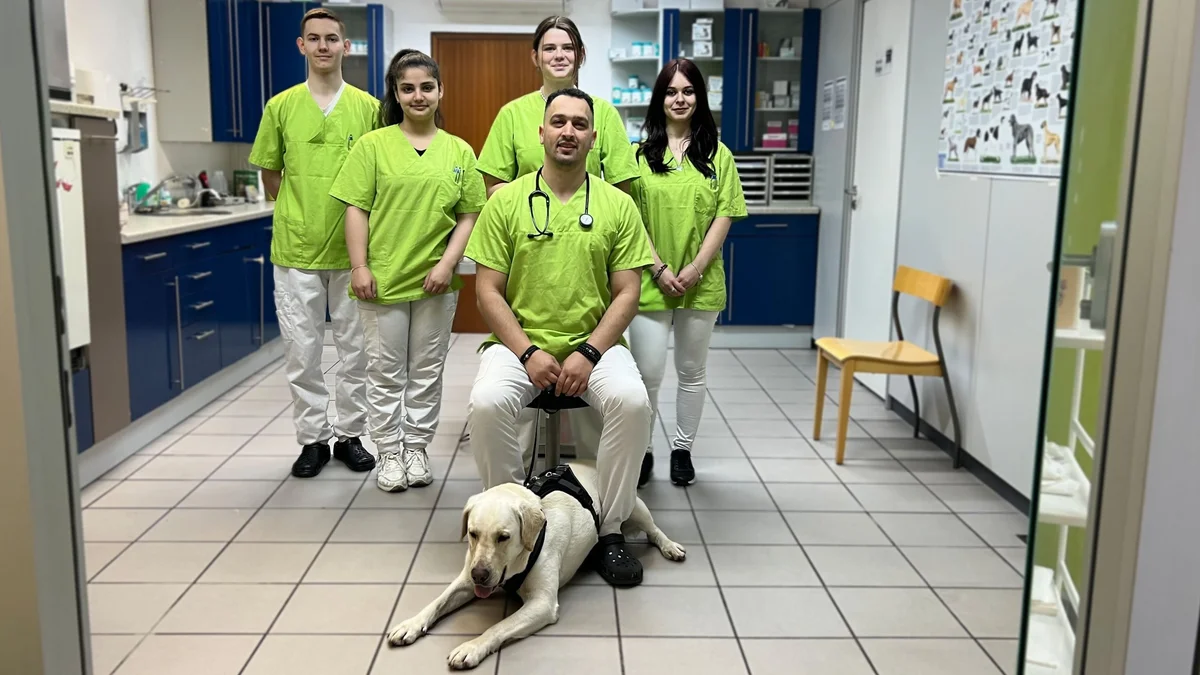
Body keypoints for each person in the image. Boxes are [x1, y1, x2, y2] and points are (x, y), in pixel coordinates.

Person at [465, 89, 654, 587]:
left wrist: (589, 352)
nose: (568, 131)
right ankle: (508, 519)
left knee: (633, 402)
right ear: (542, 133)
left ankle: (609, 529)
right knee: (487, 402)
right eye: (559, 122)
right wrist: (528, 351)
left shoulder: (617, 205)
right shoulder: (506, 202)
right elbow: (487, 291)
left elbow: (628, 293)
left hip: (596, 345)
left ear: (593, 138)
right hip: (518, 344)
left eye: (579, 124)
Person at [329, 50, 485, 492]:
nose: (418, 96)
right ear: (396, 95)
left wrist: (448, 264)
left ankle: (416, 448)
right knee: (384, 371)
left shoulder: (458, 150)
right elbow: (356, 209)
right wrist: (359, 266)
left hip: (436, 280)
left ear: (440, 91)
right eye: (408, 88)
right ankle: (389, 452)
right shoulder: (373, 146)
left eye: (426, 87)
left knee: (427, 370)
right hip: (382, 280)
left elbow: (469, 214)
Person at [248, 8, 379, 478]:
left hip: (352, 254)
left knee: (355, 352)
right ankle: (313, 441)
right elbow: (271, 174)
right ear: (301, 46)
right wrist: (300, 212)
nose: (324, 46)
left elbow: (377, 176)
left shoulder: (367, 108)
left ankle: (351, 436)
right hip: (296, 251)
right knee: (301, 352)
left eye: (332, 38)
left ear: (346, 46)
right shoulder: (281, 106)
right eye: (314, 38)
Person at [628, 59, 747, 487]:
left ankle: (682, 449)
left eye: (688, 91)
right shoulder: (639, 157)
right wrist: (658, 268)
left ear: (700, 97)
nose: (680, 99)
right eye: (671, 91)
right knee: (647, 373)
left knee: (692, 371)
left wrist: (696, 268)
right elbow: (632, 220)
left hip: (701, 281)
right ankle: (643, 451)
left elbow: (724, 215)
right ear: (659, 99)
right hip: (650, 279)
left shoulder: (718, 155)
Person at [479, 15, 639, 194]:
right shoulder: (512, 114)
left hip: (588, 212)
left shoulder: (604, 113)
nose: (559, 56)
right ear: (536, 57)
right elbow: (493, 187)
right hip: (528, 211)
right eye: (549, 49)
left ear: (581, 55)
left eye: (568, 48)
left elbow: (621, 189)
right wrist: (539, 200)